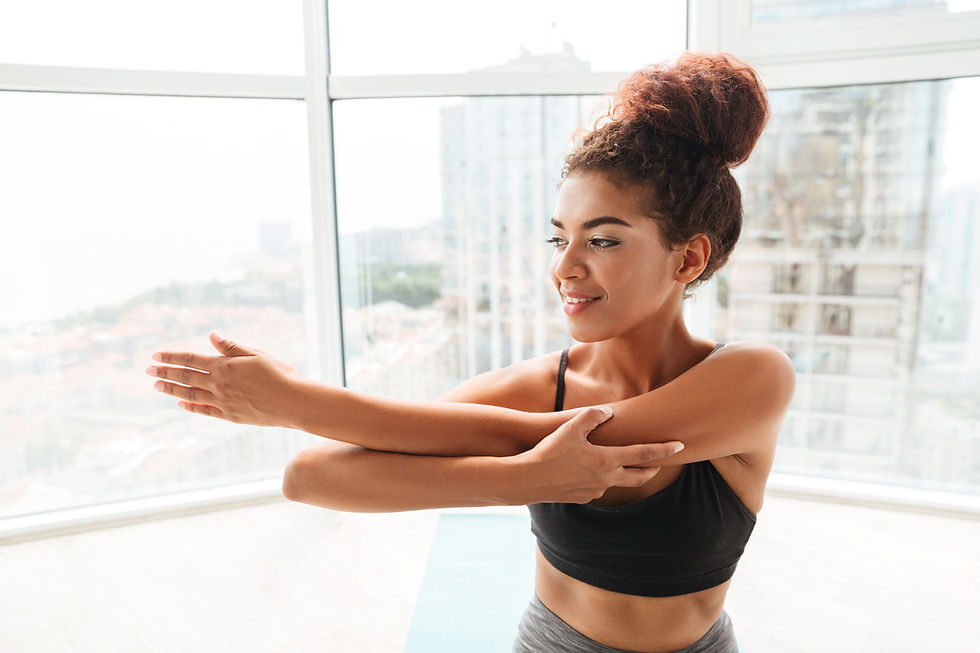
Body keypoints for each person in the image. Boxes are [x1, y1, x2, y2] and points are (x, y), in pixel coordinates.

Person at [147, 52, 794, 653]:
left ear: (689, 258)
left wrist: (298, 400)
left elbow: (543, 438)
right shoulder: (536, 387)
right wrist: (519, 479)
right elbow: (310, 476)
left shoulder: (753, 377)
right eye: (559, 239)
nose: (564, 268)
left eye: (602, 240)